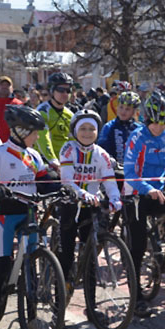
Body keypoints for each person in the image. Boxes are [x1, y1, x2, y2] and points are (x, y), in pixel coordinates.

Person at [0, 105, 56, 329]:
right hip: (4, 214)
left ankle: (32, 318)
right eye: (34, 132)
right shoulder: (0, 154)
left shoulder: (33, 156)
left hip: (28, 212)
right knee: (2, 266)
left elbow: (44, 182)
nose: (38, 137)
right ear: (21, 131)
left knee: (30, 266)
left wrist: (64, 187)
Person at [122, 93, 165, 318]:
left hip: (158, 191)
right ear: (146, 119)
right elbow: (129, 172)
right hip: (135, 193)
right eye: (155, 122)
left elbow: (164, 161)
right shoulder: (137, 137)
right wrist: (148, 189)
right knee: (138, 244)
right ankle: (136, 299)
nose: (159, 127)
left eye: (163, 123)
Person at [58, 110, 122, 293]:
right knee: (67, 254)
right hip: (71, 205)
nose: (87, 133)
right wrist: (82, 193)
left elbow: (109, 181)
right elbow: (67, 181)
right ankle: (59, 301)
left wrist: (115, 198)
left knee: (91, 258)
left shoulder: (101, 154)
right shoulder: (68, 149)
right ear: (75, 130)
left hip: (91, 207)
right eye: (83, 129)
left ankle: (91, 306)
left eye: (92, 129)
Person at [36, 72, 74, 170]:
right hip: (45, 162)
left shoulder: (70, 114)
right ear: (52, 91)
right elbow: (43, 139)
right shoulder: (43, 111)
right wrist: (53, 160)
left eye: (68, 90)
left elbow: (73, 141)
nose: (65, 94)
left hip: (64, 163)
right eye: (61, 90)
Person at [98, 91, 143, 166]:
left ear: (134, 111)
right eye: (121, 107)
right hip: (113, 171)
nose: (123, 111)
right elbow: (101, 149)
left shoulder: (139, 129)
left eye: (128, 109)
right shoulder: (108, 127)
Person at [0, 75, 23, 143]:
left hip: (10, 144)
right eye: (2, 84)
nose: (4, 87)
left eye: (7, 85)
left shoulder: (18, 104)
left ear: (12, 88)